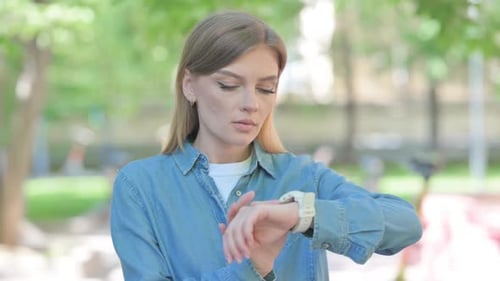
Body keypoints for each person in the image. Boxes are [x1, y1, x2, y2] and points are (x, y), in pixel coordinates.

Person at [110, 10, 422, 281]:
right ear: (189, 86)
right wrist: (253, 268)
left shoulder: (303, 178)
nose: (251, 104)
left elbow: (404, 223)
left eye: (266, 89)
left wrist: (301, 215)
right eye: (229, 85)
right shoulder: (140, 187)